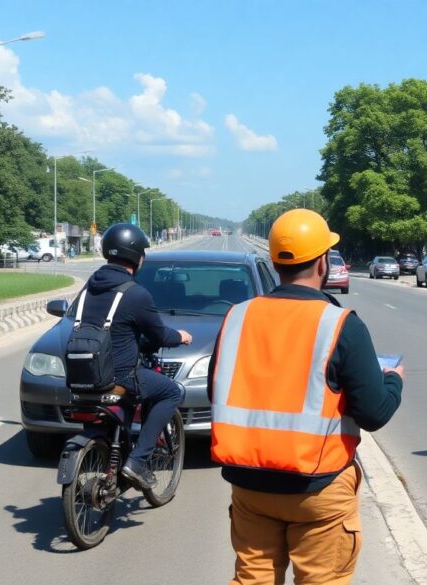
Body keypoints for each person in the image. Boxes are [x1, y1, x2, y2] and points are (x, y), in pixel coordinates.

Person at [211, 208, 404, 584]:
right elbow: (374, 412)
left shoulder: (237, 317)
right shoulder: (340, 324)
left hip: (250, 485)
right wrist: (394, 381)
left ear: (276, 263)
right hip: (317, 489)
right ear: (321, 264)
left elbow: (222, 388)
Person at [79, 223, 192, 489]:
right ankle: (138, 461)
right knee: (170, 392)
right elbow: (160, 335)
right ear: (136, 257)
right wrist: (181, 337)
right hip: (120, 374)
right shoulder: (135, 294)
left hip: (83, 373)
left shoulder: (89, 289)